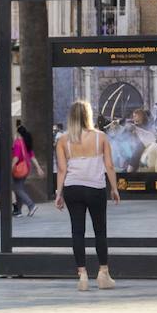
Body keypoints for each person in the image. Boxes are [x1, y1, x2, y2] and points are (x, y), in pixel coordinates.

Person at [53, 100, 121, 292]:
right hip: (95, 188)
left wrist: (59, 193)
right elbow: (109, 166)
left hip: (72, 188)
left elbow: (61, 169)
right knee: (100, 231)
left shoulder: (63, 140)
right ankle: (103, 273)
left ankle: (82, 275)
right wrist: (114, 188)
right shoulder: (101, 137)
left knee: (77, 231)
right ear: (88, 115)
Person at [10, 124, 42, 216]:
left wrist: (11, 167)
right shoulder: (26, 143)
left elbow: (16, 158)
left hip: (18, 169)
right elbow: (33, 157)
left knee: (18, 189)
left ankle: (31, 205)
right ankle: (18, 211)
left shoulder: (17, 143)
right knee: (19, 188)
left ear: (18, 133)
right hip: (26, 168)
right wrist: (38, 168)